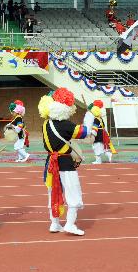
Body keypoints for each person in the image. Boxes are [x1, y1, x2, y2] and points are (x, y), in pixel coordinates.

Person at [39, 89, 91, 236]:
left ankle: (54, 224)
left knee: (54, 192)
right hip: (65, 163)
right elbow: (85, 133)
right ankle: (70, 224)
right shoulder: (66, 125)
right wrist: (89, 117)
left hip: (50, 162)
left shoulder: (45, 124)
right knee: (73, 193)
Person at [85, 100, 115, 164]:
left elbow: (95, 128)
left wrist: (92, 134)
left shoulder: (96, 119)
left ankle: (98, 160)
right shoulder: (100, 118)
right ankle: (108, 154)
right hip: (102, 133)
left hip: (98, 134)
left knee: (96, 147)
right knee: (101, 146)